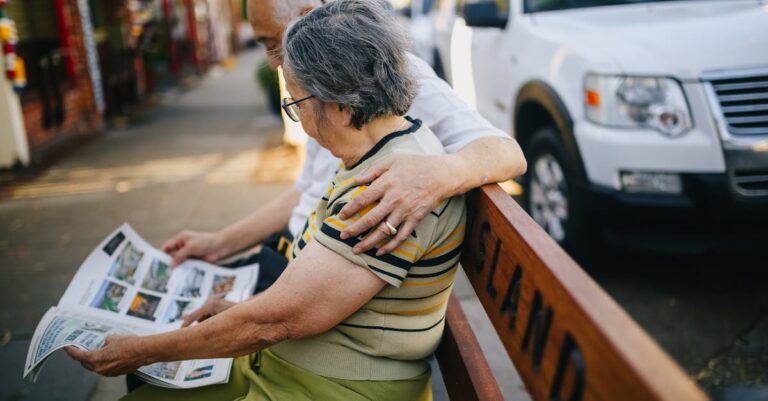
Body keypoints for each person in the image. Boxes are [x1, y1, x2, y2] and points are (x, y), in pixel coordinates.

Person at [67, 2, 469, 399]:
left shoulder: (385, 190)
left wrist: (138, 351)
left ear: (342, 105)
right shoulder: (386, 147)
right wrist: (243, 307)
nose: (300, 121)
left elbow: (275, 323)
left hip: (331, 387)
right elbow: (308, 297)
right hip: (299, 366)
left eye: (295, 104)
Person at [160, 0, 527, 289]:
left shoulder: (385, 72)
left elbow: (507, 151)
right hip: (294, 252)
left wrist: (439, 174)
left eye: (274, 43)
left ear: (308, 17)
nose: (272, 61)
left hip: (319, 270)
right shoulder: (317, 90)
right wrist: (217, 244)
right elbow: (304, 193)